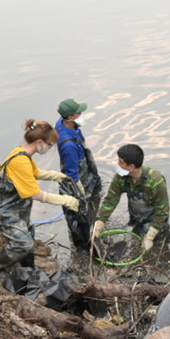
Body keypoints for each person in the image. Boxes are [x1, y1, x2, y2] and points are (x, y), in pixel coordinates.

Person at [0, 120, 80, 275]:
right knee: (23, 243)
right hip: (2, 210)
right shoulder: (19, 161)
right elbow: (36, 195)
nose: (49, 148)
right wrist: (65, 200)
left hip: (16, 206)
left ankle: (28, 268)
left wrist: (54, 175)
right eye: (49, 144)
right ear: (39, 142)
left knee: (29, 235)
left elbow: (34, 173)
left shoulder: (24, 154)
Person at [92, 144, 170, 254]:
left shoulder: (155, 181)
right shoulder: (121, 178)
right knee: (135, 243)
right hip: (137, 219)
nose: (118, 164)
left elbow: (162, 211)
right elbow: (110, 201)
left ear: (131, 166)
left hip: (156, 222)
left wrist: (150, 236)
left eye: (121, 162)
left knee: (153, 250)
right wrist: (99, 224)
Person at [55, 98, 102, 252]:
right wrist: (80, 192)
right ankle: (86, 242)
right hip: (78, 174)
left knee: (95, 195)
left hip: (84, 167)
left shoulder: (64, 123)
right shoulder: (68, 145)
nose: (82, 114)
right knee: (83, 208)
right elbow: (72, 174)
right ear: (71, 117)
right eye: (79, 113)